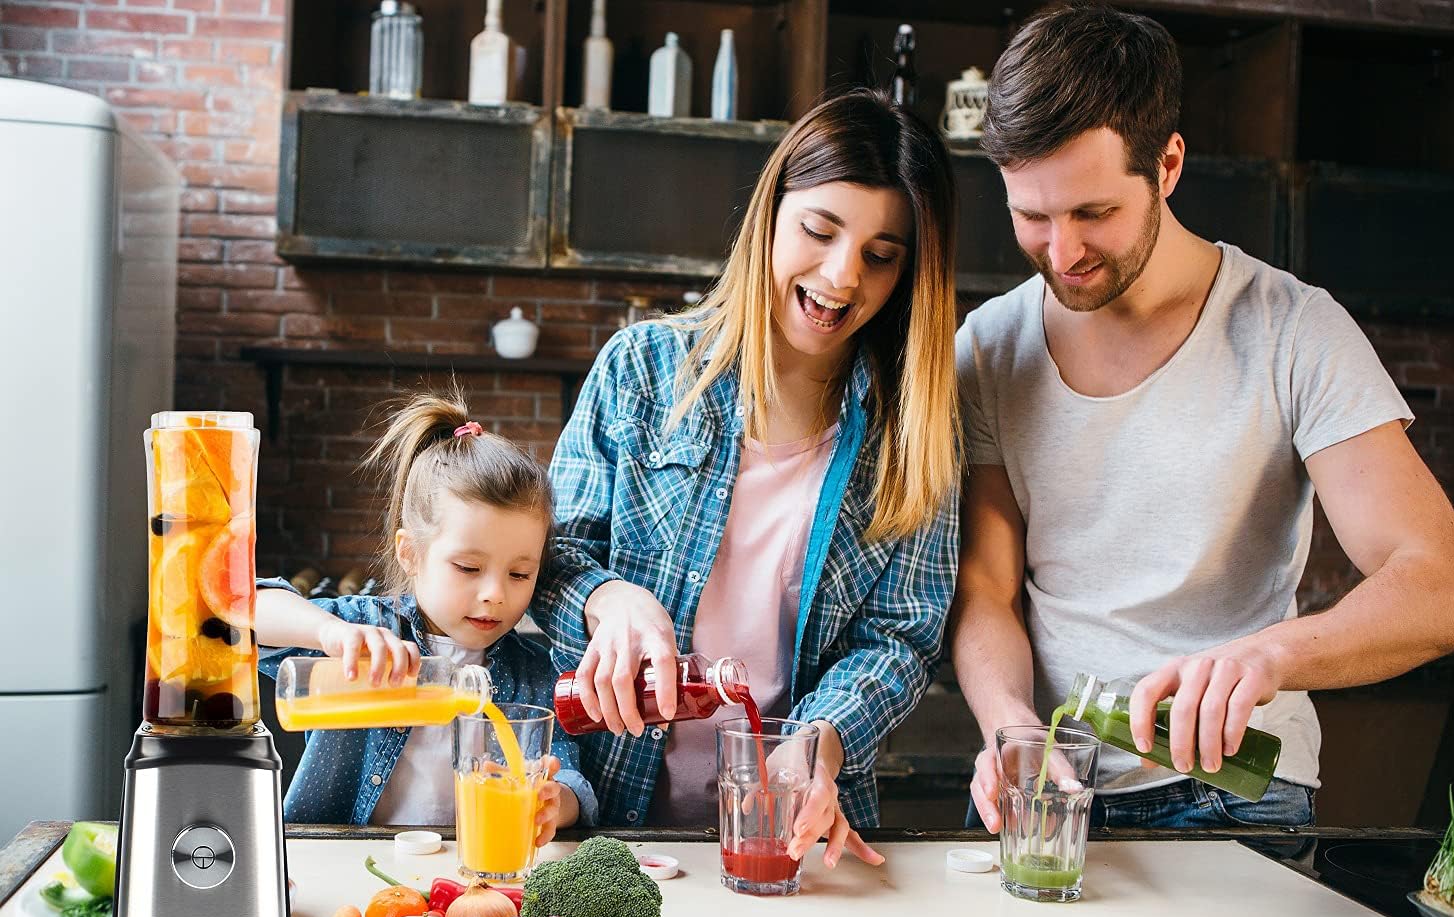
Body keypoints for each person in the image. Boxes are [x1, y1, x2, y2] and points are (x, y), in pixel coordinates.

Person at [952, 5, 1454, 831]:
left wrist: (1271, 656)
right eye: (1033, 217)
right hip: (1062, 790)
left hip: (1240, 786)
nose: (1061, 253)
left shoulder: (1291, 328)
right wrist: (1011, 724)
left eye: (1093, 213)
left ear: (1167, 166)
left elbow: (1444, 593)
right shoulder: (989, 347)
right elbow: (987, 589)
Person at [530, 89, 961, 868]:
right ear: (771, 214)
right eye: (819, 231)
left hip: (793, 835)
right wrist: (607, 599)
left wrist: (820, 739)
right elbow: (548, 560)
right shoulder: (643, 371)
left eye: (880, 255)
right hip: (600, 817)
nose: (841, 276)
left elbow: (901, 638)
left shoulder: (916, 433)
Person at [256, 392, 598, 840]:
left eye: (520, 572)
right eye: (468, 568)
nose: (495, 593)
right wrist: (330, 632)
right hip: (343, 862)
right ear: (411, 554)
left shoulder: (536, 673)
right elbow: (245, 611)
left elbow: (570, 779)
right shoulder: (368, 633)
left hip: (469, 882)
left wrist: (556, 803)